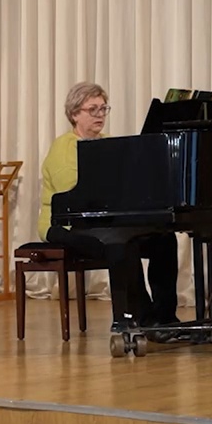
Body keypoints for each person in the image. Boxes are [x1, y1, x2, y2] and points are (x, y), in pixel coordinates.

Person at [36, 82, 181, 338]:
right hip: (66, 225)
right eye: (92, 109)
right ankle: (144, 319)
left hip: (106, 221)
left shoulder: (108, 143)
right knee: (124, 244)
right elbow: (72, 192)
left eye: (103, 109)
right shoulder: (64, 147)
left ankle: (165, 317)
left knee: (164, 239)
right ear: (74, 114)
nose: (100, 115)